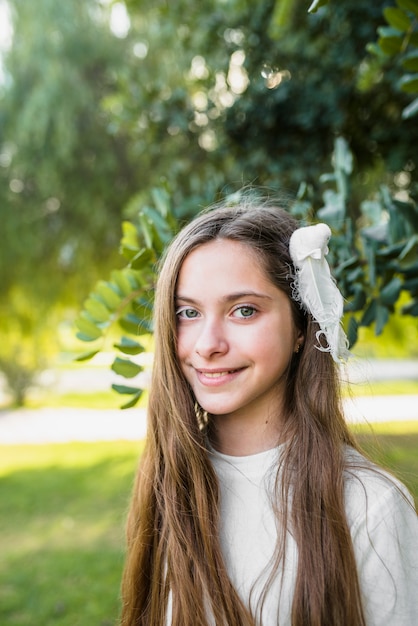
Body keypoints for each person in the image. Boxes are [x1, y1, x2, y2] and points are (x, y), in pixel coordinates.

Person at [120, 197, 418, 626]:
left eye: (244, 310)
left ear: (300, 326)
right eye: (188, 313)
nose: (208, 344)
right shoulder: (171, 482)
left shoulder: (370, 508)